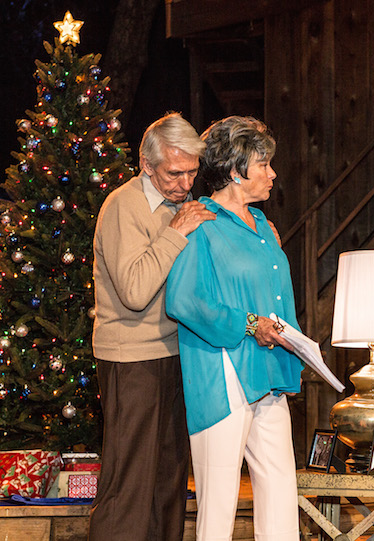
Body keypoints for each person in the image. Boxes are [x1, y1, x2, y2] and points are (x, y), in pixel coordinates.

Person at [165, 116, 304, 541]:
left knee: (282, 487)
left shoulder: (263, 228)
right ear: (234, 170)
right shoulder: (201, 222)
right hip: (221, 373)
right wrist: (248, 324)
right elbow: (184, 301)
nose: (272, 173)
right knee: (219, 501)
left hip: (268, 372)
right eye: (263, 164)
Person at [90, 112, 216, 541]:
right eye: (173, 174)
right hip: (131, 360)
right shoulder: (123, 206)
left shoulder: (182, 206)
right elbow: (135, 291)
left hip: (177, 355)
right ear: (146, 164)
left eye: (191, 174)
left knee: (168, 485)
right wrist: (175, 233)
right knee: (130, 487)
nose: (184, 185)